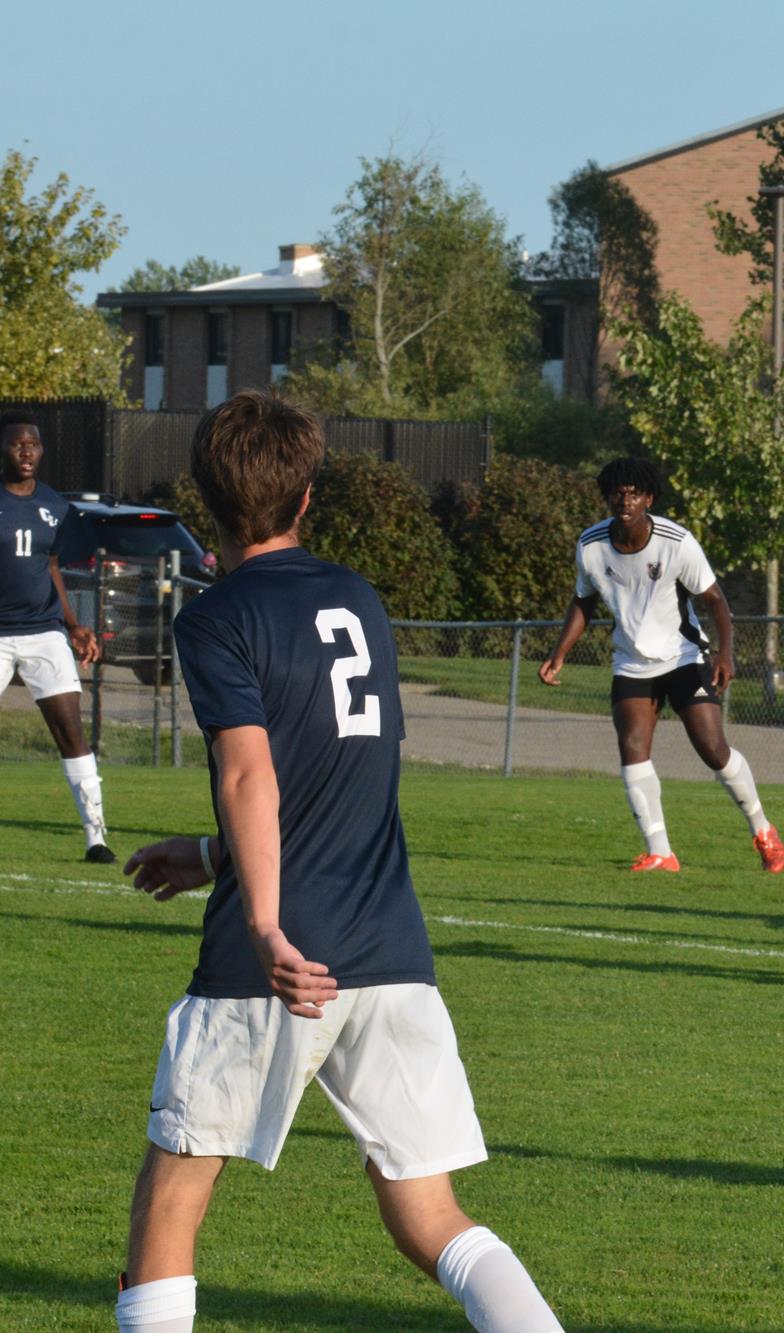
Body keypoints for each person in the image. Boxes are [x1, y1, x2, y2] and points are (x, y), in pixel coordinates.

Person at [117, 391, 560, 1333]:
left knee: (170, 1204)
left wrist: (264, 921)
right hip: (390, 950)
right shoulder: (358, 598)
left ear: (203, 505)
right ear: (307, 498)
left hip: (277, 961)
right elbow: (333, 775)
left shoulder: (216, 619)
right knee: (433, 1217)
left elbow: (252, 777)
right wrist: (208, 856)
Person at [539, 457, 784, 874]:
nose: (626, 499)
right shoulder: (591, 545)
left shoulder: (675, 541)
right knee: (633, 747)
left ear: (649, 498)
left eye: (635, 493)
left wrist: (725, 654)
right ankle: (660, 852)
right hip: (632, 663)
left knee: (713, 749)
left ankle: (762, 830)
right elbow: (584, 600)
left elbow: (715, 600)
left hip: (683, 658)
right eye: (618, 492)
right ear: (608, 496)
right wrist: (560, 652)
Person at [0, 410, 113, 862]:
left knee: (71, 732)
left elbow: (51, 568)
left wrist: (73, 625)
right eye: (16, 443)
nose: (26, 450)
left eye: (34, 443)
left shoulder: (55, 505)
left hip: (44, 633)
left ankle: (96, 838)